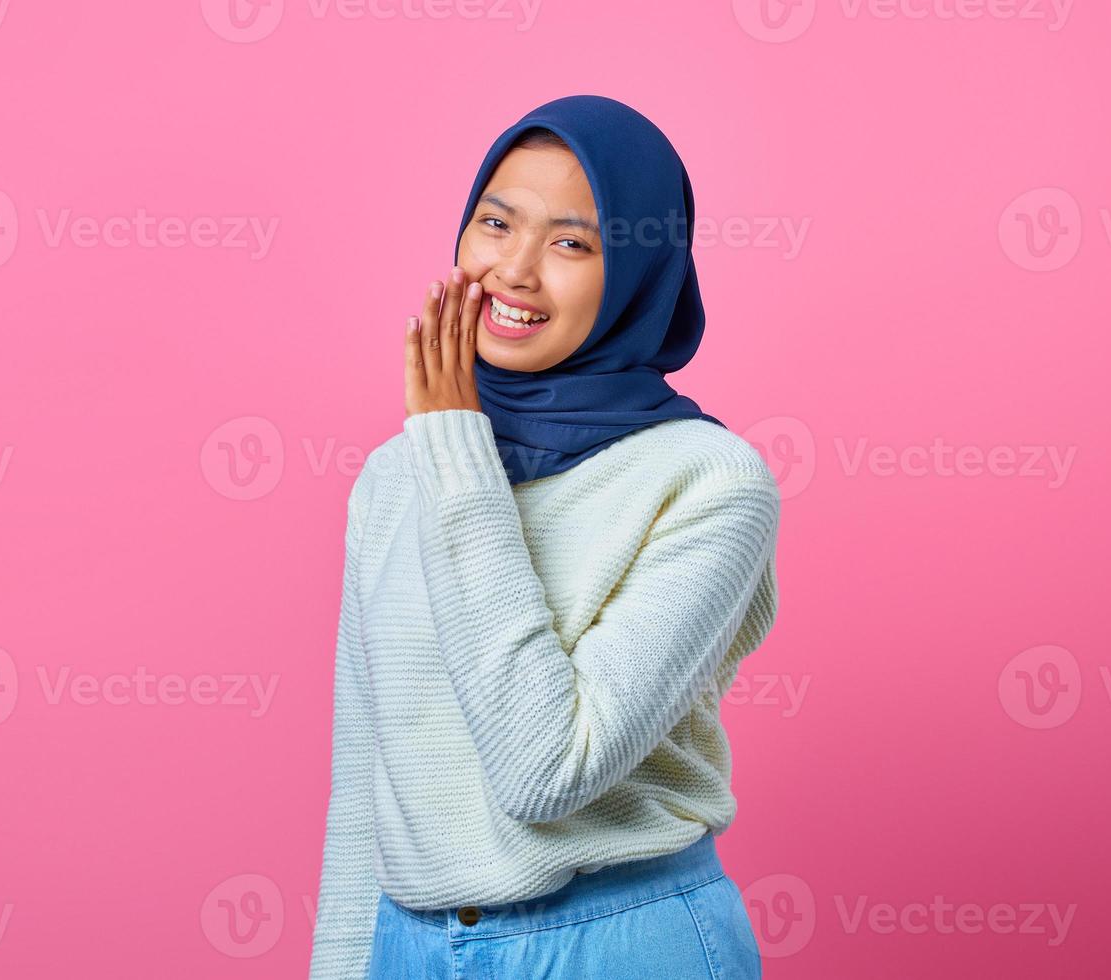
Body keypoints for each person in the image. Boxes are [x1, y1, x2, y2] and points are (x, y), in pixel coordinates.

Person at [309, 94, 781, 980]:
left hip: (618, 943)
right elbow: (367, 782)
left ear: (640, 271)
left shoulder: (708, 482)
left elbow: (545, 772)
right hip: (404, 945)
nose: (513, 272)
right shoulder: (394, 475)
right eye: (496, 223)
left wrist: (455, 449)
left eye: (571, 243)